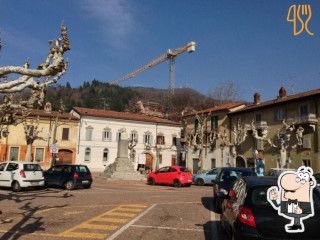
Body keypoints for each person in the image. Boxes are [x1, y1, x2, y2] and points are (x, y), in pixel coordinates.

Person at [267, 166, 316, 233]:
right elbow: (277, 206)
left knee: (297, 215)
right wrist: (273, 200)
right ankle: (296, 225)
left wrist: (302, 211)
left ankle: (297, 225)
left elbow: (306, 208)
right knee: (296, 215)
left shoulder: (304, 198)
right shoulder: (286, 200)